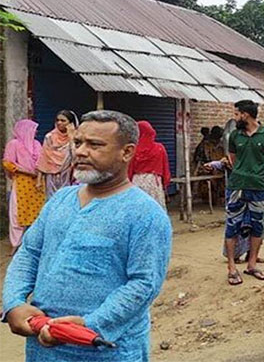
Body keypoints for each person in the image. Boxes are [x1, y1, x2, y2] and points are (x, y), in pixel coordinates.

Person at [2, 110, 172, 361]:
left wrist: (89, 324)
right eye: (78, 142)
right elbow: (29, 253)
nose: (80, 152)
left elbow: (143, 284)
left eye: (95, 145)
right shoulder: (60, 200)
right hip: (43, 347)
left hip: (105, 350)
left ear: (126, 152)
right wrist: (14, 303)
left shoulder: (145, 214)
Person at [218, 100, 264, 285]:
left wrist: (261, 178)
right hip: (236, 187)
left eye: (237, 114)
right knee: (232, 226)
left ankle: (252, 264)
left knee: (257, 226)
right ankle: (231, 267)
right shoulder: (235, 136)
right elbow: (233, 160)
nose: (235, 117)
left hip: (258, 188)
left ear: (245, 114)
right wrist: (245, 174)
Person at [3, 120, 45, 256]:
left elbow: (41, 162)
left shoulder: (37, 144)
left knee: (37, 213)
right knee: (17, 214)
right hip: (21, 182)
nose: (36, 132)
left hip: (37, 183)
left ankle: (33, 244)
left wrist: (38, 177)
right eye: (33, 129)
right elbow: (8, 163)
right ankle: (15, 244)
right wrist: (26, 171)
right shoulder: (14, 144)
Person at [127, 121, 171, 210]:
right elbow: (165, 168)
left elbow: (129, 169)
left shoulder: (134, 150)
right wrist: (165, 182)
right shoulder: (159, 148)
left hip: (137, 181)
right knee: (156, 208)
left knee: (138, 209)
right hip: (154, 182)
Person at [36, 110, 77, 199]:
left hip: (68, 175)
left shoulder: (77, 137)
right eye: (57, 120)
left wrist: (71, 138)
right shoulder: (49, 137)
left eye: (63, 121)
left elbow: (76, 156)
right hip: (51, 176)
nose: (59, 123)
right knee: (52, 199)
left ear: (70, 123)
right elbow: (44, 158)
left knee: (67, 199)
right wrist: (39, 180)